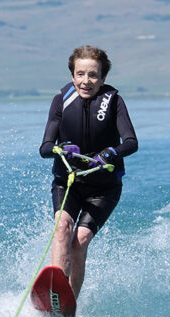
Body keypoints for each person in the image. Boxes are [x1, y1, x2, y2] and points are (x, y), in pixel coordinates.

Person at [39, 45, 138, 299]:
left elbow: (131, 142)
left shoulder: (113, 101)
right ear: (72, 76)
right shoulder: (61, 101)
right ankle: (55, 294)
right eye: (80, 74)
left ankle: (69, 300)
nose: (86, 81)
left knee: (79, 241)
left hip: (104, 188)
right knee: (63, 228)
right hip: (68, 182)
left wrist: (110, 153)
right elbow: (45, 147)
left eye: (93, 75)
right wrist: (61, 150)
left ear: (103, 78)